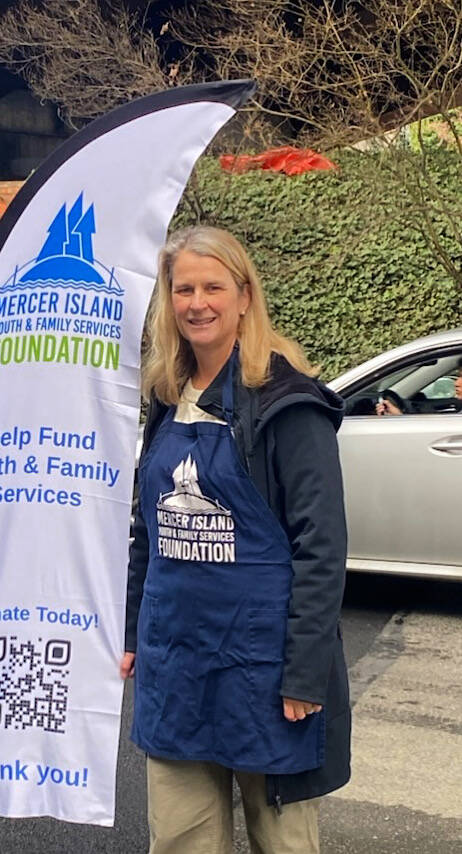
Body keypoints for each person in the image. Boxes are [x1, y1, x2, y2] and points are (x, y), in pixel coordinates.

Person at [121, 226, 350, 854]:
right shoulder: (167, 396)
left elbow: (321, 549)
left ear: (245, 296)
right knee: (181, 840)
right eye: (183, 289)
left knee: (283, 843)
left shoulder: (288, 404)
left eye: (213, 287)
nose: (197, 303)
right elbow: (146, 530)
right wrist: (132, 630)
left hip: (264, 672)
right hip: (177, 665)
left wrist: (305, 674)